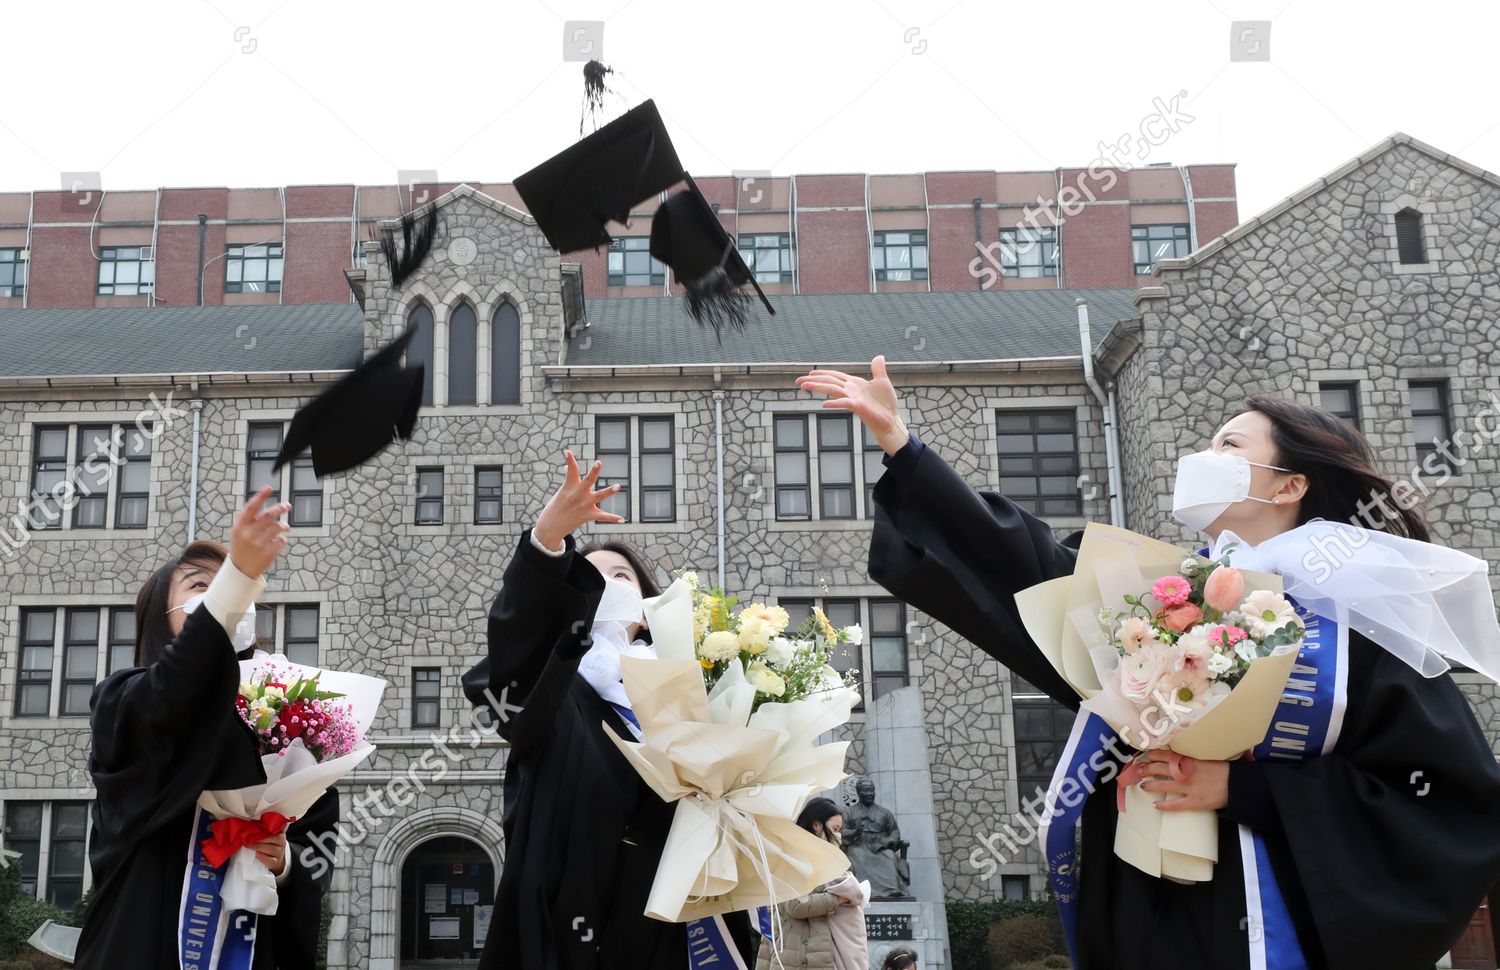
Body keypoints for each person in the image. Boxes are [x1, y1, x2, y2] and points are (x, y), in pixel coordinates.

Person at [797, 356, 1500, 970]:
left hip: (1277, 910)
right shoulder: (1168, 595)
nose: (1204, 454)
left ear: (1289, 486)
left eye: (1229, 444)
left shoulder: (1356, 632)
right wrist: (905, 448)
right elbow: (1025, 565)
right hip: (1152, 898)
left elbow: (1447, 803)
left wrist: (1242, 789)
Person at [461, 452, 759, 969]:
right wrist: (549, 540)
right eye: (588, 578)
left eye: (620, 575)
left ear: (648, 610)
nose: (603, 585)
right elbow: (515, 664)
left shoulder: (694, 692)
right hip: (573, 921)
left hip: (675, 921)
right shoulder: (556, 685)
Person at [78, 487, 339, 969]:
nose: (224, 594)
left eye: (232, 585)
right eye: (201, 586)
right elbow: (176, 694)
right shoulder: (123, 699)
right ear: (163, 616)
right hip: (144, 938)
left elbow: (318, 842)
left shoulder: (287, 717)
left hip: (249, 943)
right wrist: (238, 578)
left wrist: (283, 864)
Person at [754, 797, 866, 970]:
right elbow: (795, 904)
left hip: (812, 958)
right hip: (797, 960)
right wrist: (835, 900)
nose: (839, 836)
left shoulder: (826, 862)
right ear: (817, 825)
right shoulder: (792, 858)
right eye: (835, 829)